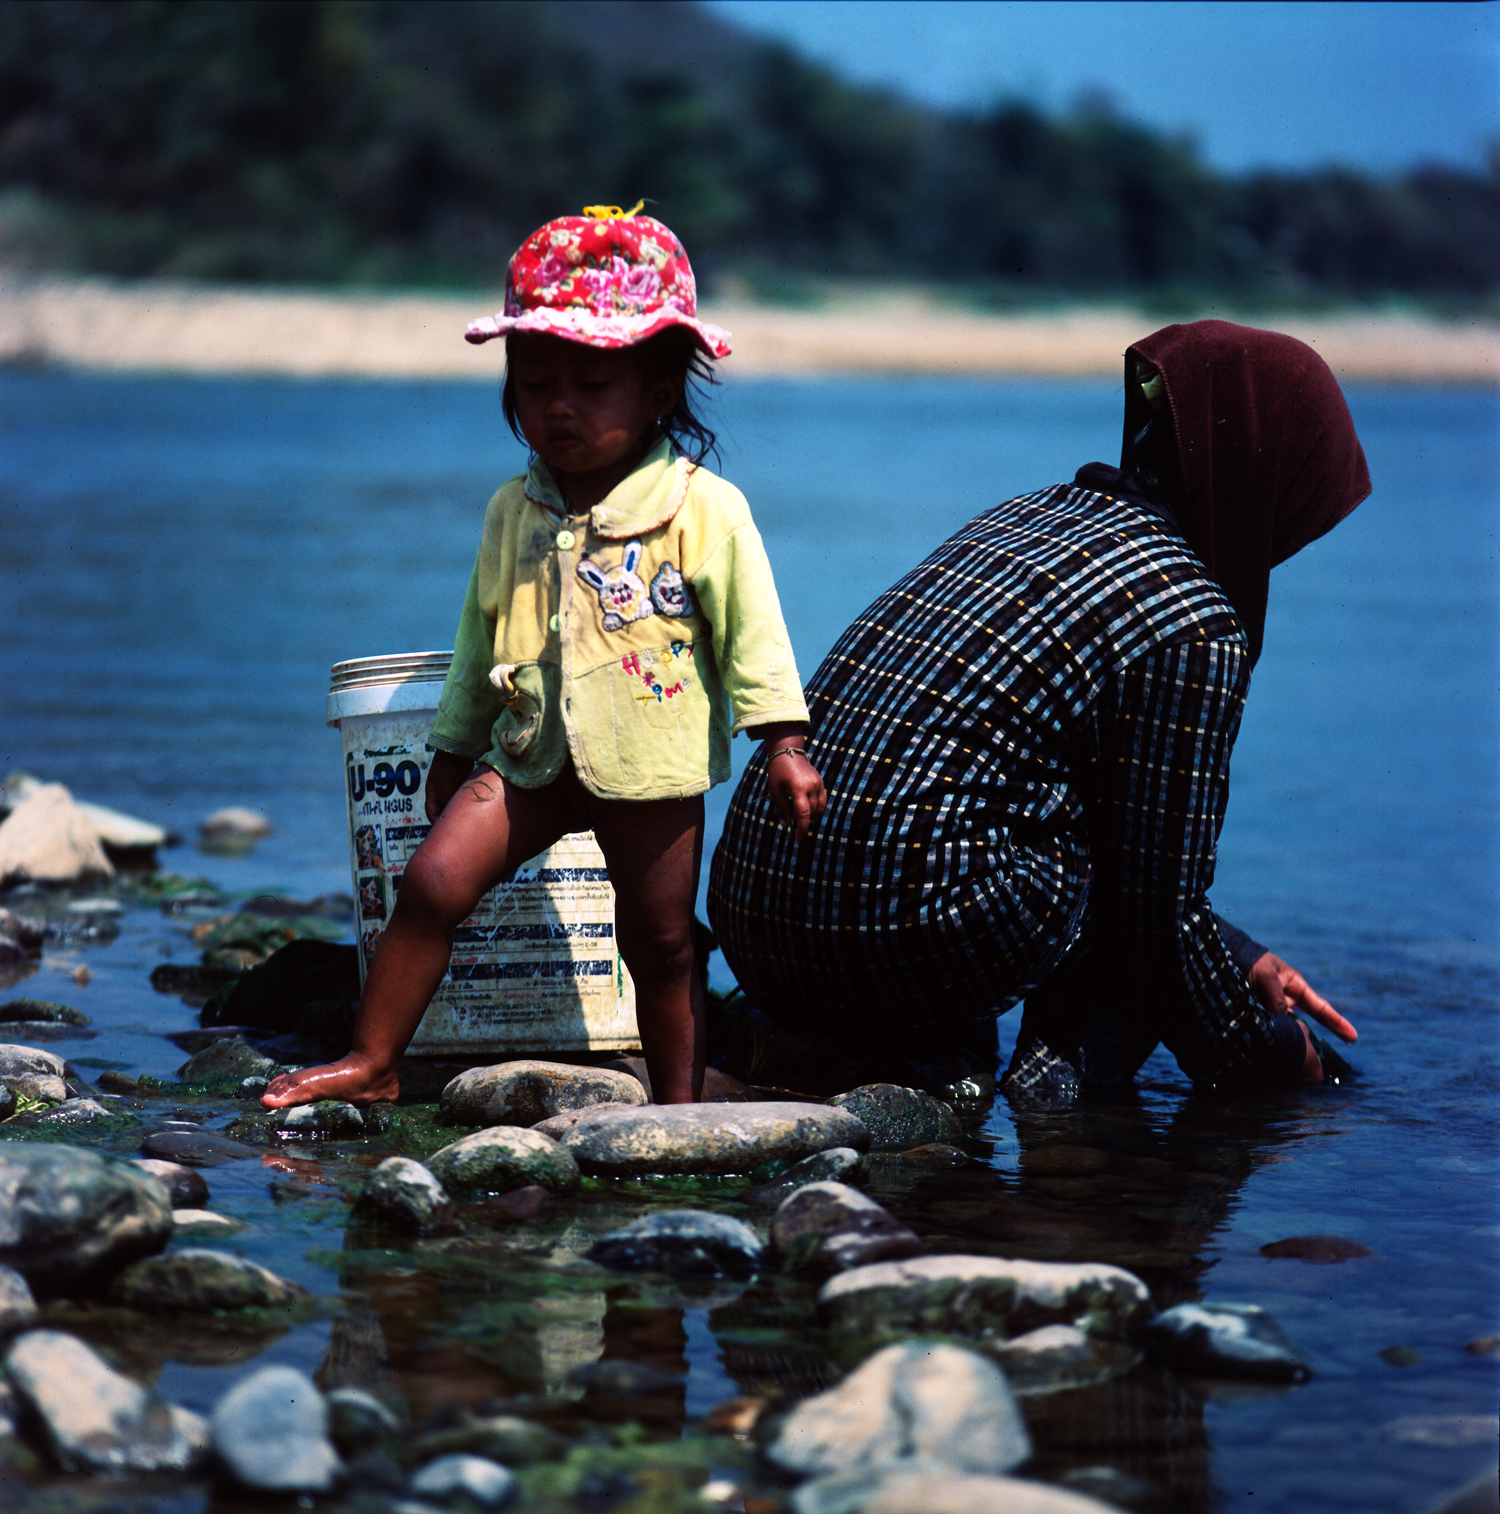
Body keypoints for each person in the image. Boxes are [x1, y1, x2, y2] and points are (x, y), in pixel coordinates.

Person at [707, 320, 1365, 1103]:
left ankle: (851, 1049)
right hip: (880, 938)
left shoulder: (1031, 515)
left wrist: (1240, 953)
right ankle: (1060, 1102)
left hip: (755, 910)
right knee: (1111, 863)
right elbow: (1154, 914)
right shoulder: (1192, 617)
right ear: (1263, 478)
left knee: (1053, 806)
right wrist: (1278, 1062)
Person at [263, 204, 825, 1110]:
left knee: (664, 944)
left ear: (658, 390)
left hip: (651, 768)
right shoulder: (510, 511)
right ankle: (373, 1062)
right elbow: (482, 635)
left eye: (590, 383)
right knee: (430, 882)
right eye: (534, 383)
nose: (557, 405)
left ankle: (678, 1113)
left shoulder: (703, 508)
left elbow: (756, 634)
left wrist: (784, 743)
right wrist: (453, 747)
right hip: (528, 760)